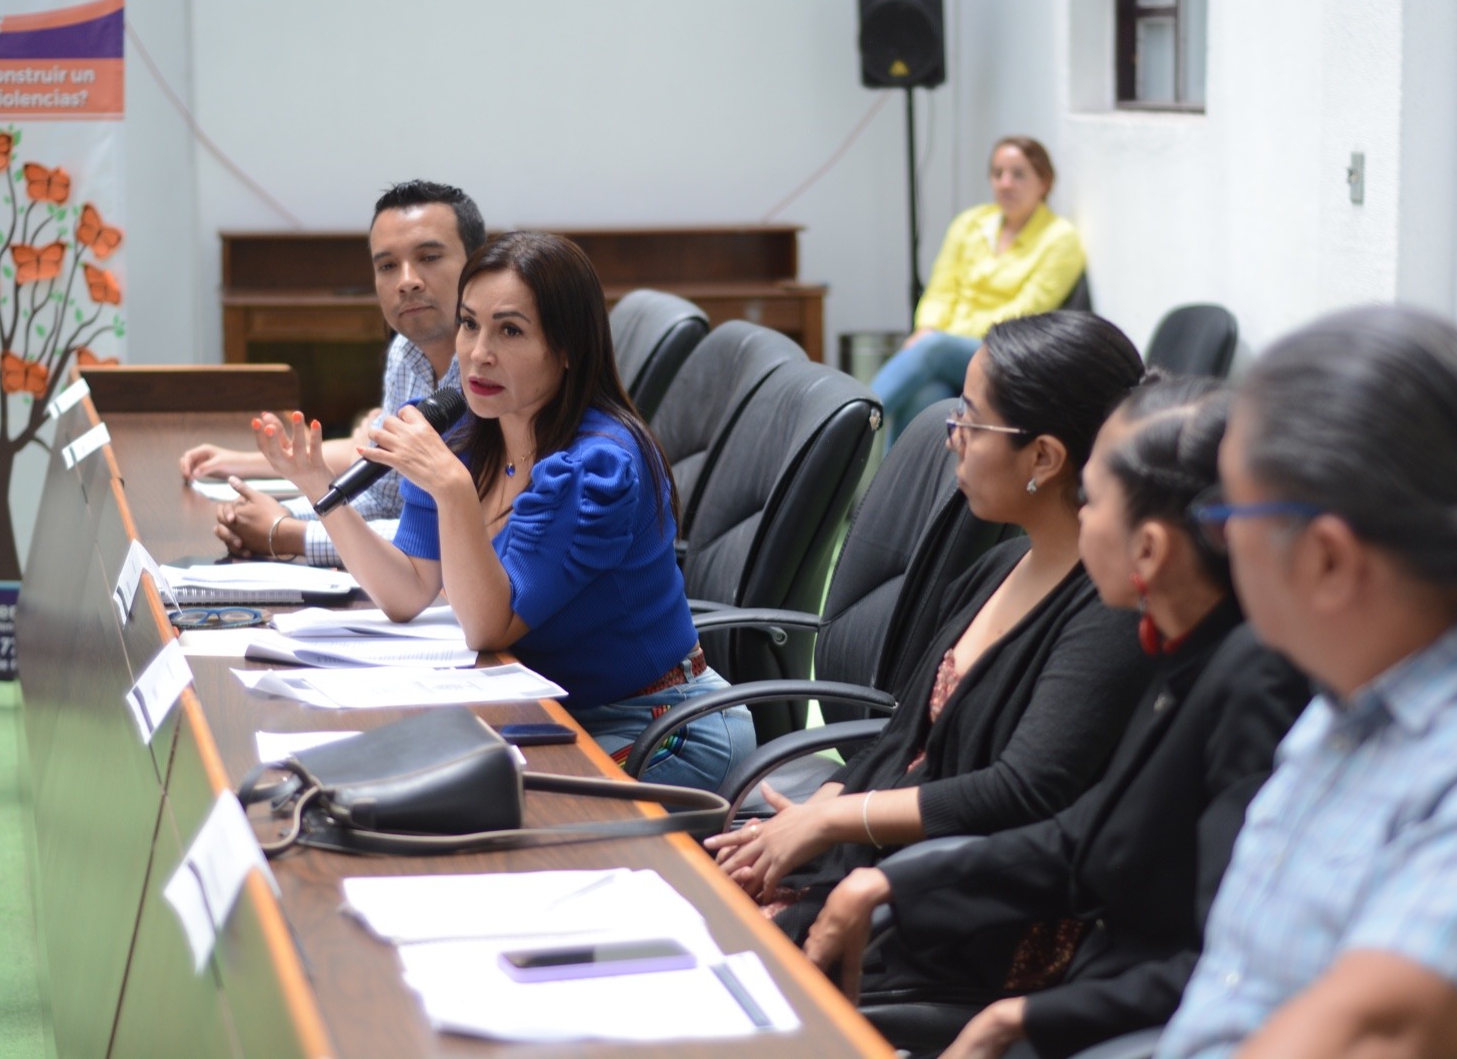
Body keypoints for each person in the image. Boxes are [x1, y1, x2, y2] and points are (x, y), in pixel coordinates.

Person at [803, 377, 1310, 1059]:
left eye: (1091, 501)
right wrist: (888, 881)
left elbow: (1222, 958)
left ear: (1150, 550)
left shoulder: (1251, 683)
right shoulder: (1184, 649)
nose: (1079, 519)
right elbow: (1084, 837)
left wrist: (1026, 1019)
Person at [1154, 305, 1457, 1058]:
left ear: (1328, 559)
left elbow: (1369, 1033)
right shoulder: (1379, 658)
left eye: (1225, 514)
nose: (1219, 540)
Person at [247, 231, 756, 792]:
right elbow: (408, 590)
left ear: (567, 348)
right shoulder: (465, 432)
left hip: (661, 723)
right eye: (469, 324)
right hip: (550, 711)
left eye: (509, 331)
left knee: (489, 816)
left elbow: (490, 626)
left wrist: (452, 490)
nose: (477, 353)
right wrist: (320, 487)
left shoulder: (594, 468)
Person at [705, 311, 1154, 942]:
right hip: (883, 860)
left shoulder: (1108, 611)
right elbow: (900, 739)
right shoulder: (997, 567)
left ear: (1044, 457)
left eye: (972, 420)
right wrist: (802, 819)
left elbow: (1018, 792)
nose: (953, 439)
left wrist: (830, 823)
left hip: (954, 908)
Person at [178, 180, 486, 565]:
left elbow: (460, 533)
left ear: (478, 266)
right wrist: (276, 516)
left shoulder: (493, 369)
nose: (407, 281)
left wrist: (291, 534)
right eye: (387, 266)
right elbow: (386, 498)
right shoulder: (405, 353)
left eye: (429, 257)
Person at [871, 136, 1086, 441]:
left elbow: (1026, 312)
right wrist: (927, 328)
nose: (1005, 183)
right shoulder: (969, 223)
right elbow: (941, 288)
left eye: (1018, 174)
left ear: (1044, 182)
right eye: (998, 174)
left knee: (933, 349)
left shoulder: (1060, 239)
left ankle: (857, 417)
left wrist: (942, 338)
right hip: (946, 348)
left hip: (1004, 352)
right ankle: (893, 473)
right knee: (925, 397)